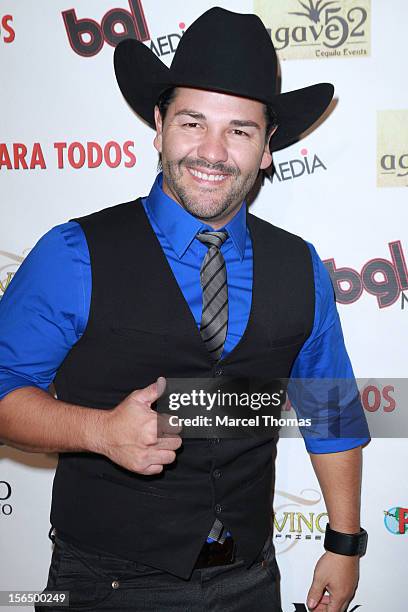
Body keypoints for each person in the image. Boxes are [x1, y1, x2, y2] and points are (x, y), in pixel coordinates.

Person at [0, 7, 370, 612]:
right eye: (193, 121)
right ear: (159, 125)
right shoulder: (73, 253)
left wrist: (344, 541)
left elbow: (330, 412)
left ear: (267, 148)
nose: (213, 151)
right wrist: (97, 431)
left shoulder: (300, 267)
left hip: (253, 582)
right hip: (106, 587)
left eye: (240, 130)